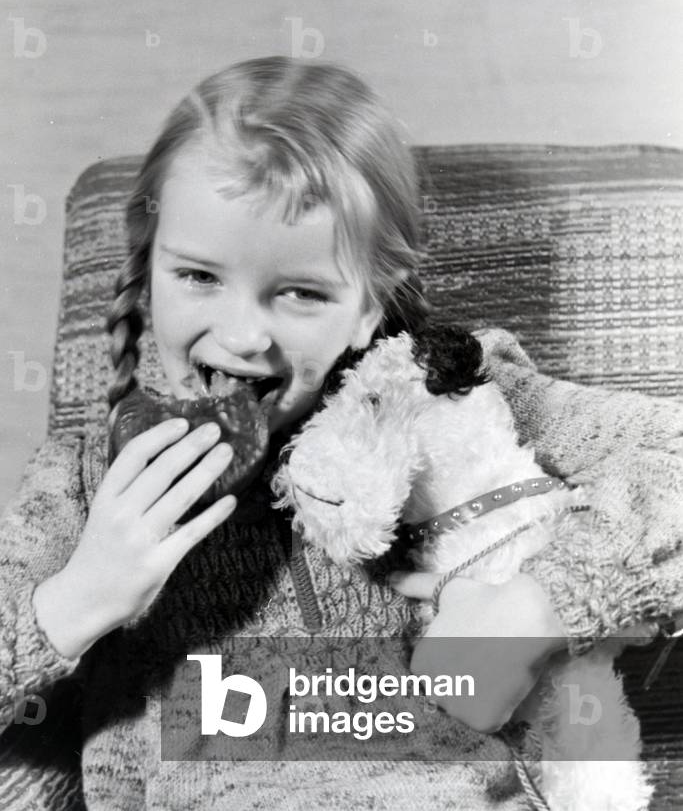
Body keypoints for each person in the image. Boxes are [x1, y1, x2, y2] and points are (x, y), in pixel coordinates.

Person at [1, 56, 682, 810]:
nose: (239, 334)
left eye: (298, 292)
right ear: (150, 262)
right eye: (197, 275)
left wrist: (541, 603)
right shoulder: (85, 478)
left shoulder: (446, 392)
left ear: (369, 302)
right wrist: (73, 600)